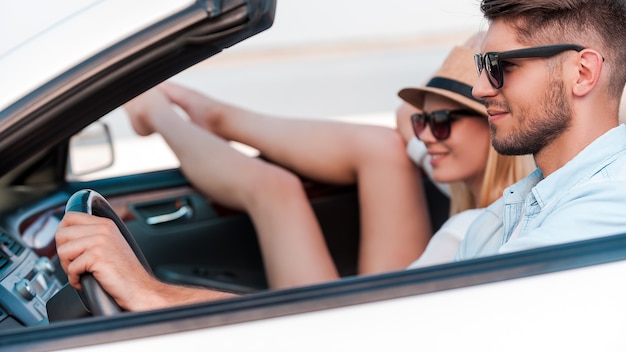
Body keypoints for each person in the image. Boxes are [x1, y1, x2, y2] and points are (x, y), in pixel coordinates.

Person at [55, 31, 534, 311]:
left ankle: (160, 115)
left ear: (496, 122)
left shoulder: (469, 234)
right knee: (380, 150)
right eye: (422, 118)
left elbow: (355, 334)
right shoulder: (454, 167)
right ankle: (210, 114)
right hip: (377, 305)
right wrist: (424, 128)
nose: (426, 134)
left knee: (274, 189)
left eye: (443, 121)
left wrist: (149, 293)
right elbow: (394, 131)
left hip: (356, 323)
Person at [454, 0, 626, 259]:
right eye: (482, 64)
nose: (479, 88)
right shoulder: (492, 224)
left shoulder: (613, 203)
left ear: (583, 73)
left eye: (500, 65)